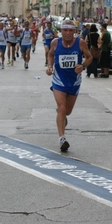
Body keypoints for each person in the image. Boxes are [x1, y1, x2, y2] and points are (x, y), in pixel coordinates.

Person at [45, 20, 93, 152]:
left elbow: (89, 57)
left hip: (74, 81)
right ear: (61, 31)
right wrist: (49, 67)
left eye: (70, 30)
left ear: (74, 31)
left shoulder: (80, 43)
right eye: (65, 30)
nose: (67, 33)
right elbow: (50, 54)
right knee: (62, 107)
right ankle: (62, 139)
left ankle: (62, 116)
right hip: (59, 80)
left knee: (67, 111)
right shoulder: (55, 42)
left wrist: (82, 66)